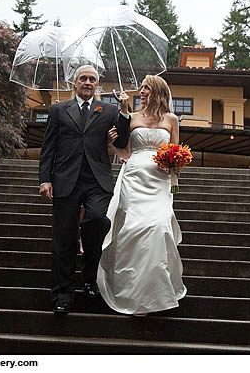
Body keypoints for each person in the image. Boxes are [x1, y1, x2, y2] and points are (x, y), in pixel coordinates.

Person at [39, 65, 130, 314]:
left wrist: (123, 113)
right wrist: (44, 179)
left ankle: (89, 277)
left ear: (97, 85)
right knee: (64, 238)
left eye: (92, 79)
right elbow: (49, 148)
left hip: (97, 181)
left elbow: (122, 142)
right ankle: (62, 294)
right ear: (74, 84)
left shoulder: (109, 110)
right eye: (83, 79)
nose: (88, 82)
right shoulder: (59, 110)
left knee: (98, 220)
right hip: (65, 181)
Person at [97, 75, 187, 316]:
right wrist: (113, 141)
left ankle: (154, 290)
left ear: (157, 91)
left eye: (146, 88)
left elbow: (176, 150)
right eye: (142, 88)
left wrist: (176, 163)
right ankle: (130, 290)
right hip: (134, 177)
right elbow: (124, 150)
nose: (142, 91)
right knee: (132, 229)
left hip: (159, 182)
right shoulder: (131, 117)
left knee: (159, 228)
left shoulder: (171, 119)